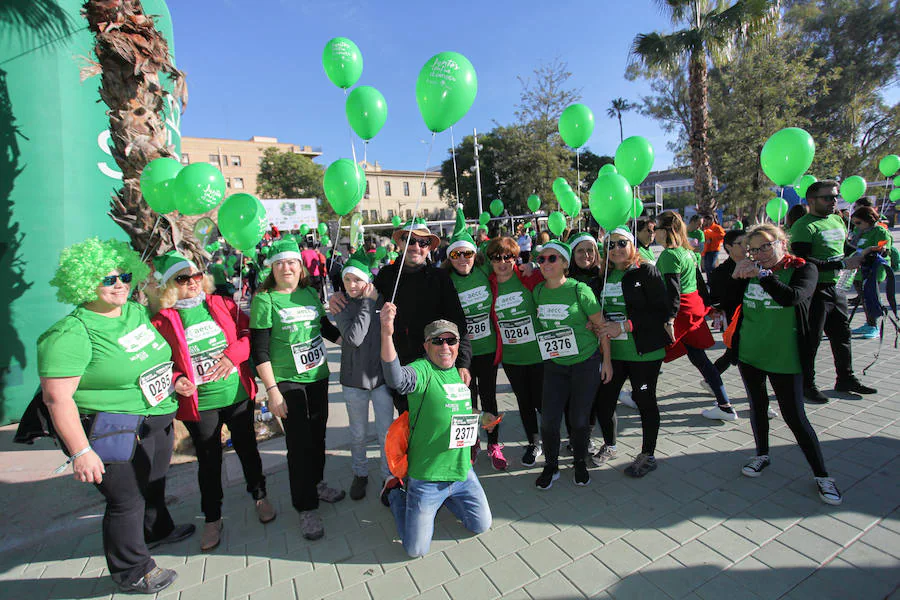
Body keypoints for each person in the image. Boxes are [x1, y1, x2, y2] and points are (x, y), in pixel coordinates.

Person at [37, 239, 195, 594]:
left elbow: (151, 358)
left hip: (154, 418)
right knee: (126, 499)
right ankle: (132, 570)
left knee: (153, 482)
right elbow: (56, 398)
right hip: (108, 430)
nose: (120, 284)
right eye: (108, 279)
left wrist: (174, 379)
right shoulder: (70, 333)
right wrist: (80, 452)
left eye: (124, 276)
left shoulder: (134, 312)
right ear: (83, 283)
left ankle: (157, 530)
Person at [149, 251, 273, 552]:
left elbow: (248, 334)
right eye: (183, 278)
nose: (192, 282)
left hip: (236, 394)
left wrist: (234, 355)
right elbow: (159, 360)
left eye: (195, 276)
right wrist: (178, 378)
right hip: (200, 403)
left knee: (247, 449)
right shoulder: (162, 320)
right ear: (169, 286)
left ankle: (260, 496)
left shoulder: (221, 303)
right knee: (209, 460)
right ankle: (213, 517)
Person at [727, 224, 843, 505]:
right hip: (750, 354)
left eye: (766, 245)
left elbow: (791, 297)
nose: (761, 253)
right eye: (754, 249)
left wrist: (763, 274)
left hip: (785, 356)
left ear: (782, 242)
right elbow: (723, 296)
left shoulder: (804, 269)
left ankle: (822, 475)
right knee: (758, 407)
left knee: (795, 417)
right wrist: (733, 268)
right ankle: (762, 455)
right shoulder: (751, 269)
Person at [249, 239, 344, 541]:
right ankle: (305, 507)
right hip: (288, 383)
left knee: (318, 436)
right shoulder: (265, 300)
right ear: (272, 269)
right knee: (299, 444)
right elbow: (260, 352)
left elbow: (325, 329)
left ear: (300, 267)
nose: (286, 268)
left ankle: (317, 484)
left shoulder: (308, 293)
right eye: (279, 263)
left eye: (291, 262)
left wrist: (354, 342)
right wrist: (272, 391)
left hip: (317, 377)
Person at [380, 313, 492, 557]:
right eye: (437, 341)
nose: (445, 347)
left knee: (481, 525)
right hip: (427, 478)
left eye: (451, 341)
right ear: (426, 346)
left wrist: (484, 418)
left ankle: (449, 499)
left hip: (462, 472)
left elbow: (460, 409)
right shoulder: (422, 370)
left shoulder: (459, 373)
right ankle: (396, 494)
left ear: (457, 345)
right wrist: (386, 335)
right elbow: (395, 378)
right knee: (415, 550)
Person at [332, 218, 471, 411]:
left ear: (429, 247)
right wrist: (340, 296)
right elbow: (358, 293)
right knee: (407, 424)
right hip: (399, 367)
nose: (416, 246)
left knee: (439, 417)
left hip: (435, 363)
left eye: (423, 242)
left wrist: (463, 362)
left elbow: (459, 322)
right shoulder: (387, 276)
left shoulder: (440, 278)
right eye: (410, 240)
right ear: (400, 243)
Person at [532, 240, 613, 489]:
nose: (545, 263)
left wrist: (607, 361)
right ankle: (551, 465)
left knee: (579, 420)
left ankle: (579, 462)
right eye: (542, 259)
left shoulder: (580, 290)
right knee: (548, 421)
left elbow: (601, 328)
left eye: (552, 258)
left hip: (585, 363)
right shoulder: (538, 291)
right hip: (555, 365)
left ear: (565, 263)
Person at [591, 228, 669, 477]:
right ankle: (611, 445)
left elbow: (660, 311)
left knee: (645, 400)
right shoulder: (602, 277)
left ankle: (648, 454)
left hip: (643, 352)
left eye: (621, 243)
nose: (615, 249)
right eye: (610, 245)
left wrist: (624, 326)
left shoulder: (646, 271)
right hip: (613, 353)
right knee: (603, 401)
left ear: (632, 244)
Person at [790, 181, 877, 403]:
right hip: (814, 290)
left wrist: (864, 253)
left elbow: (844, 249)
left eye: (835, 197)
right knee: (812, 340)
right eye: (827, 197)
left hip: (838, 288)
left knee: (842, 336)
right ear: (811, 200)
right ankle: (806, 385)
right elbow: (804, 262)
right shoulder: (803, 226)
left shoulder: (837, 219)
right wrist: (841, 265)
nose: (833, 201)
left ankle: (846, 378)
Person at [656, 211, 737, 421]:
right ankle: (724, 403)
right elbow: (700, 283)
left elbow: (674, 290)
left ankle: (640, 395)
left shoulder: (669, 255)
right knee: (699, 358)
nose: (654, 232)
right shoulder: (689, 253)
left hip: (680, 311)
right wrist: (709, 306)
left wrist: (669, 320)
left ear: (667, 231)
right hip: (693, 308)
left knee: (654, 353)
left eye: (656, 228)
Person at [443, 209, 507, 469]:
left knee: (489, 398)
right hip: (462, 356)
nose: (462, 258)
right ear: (450, 257)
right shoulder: (446, 281)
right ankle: (470, 445)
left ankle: (494, 444)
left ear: (474, 254)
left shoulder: (483, 271)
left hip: (488, 348)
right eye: (456, 254)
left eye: (467, 253)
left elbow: (506, 263)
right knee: (466, 402)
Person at [333, 248, 395, 503]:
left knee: (385, 432)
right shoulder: (341, 305)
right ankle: (360, 472)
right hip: (353, 382)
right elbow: (354, 337)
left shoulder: (380, 300)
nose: (351, 285)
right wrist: (368, 303)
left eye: (357, 279)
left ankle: (388, 476)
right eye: (347, 280)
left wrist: (376, 304)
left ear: (368, 280)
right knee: (358, 433)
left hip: (380, 379)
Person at [487, 236, 545, 466]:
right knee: (524, 401)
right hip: (511, 358)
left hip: (538, 353)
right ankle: (534, 442)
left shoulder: (527, 277)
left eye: (508, 257)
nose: (503, 262)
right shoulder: (489, 284)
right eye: (497, 258)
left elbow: (555, 274)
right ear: (490, 261)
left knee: (543, 401)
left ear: (516, 257)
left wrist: (536, 265)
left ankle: (553, 439)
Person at [847, 206, 893, 339]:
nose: (857, 226)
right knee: (863, 297)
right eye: (855, 223)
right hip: (859, 269)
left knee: (871, 297)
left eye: (859, 223)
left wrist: (873, 251)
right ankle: (869, 322)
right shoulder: (859, 231)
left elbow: (883, 251)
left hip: (873, 270)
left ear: (868, 220)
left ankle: (875, 326)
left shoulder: (880, 231)